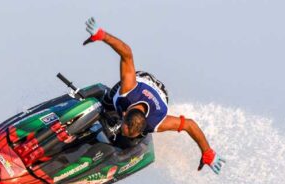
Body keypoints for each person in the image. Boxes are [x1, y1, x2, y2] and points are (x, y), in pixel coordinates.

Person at [83, 17, 225, 174]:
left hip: (161, 95)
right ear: (125, 114)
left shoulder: (156, 122)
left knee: (128, 143)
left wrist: (207, 152)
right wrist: (102, 35)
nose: (124, 131)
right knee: (106, 105)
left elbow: (189, 125)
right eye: (125, 128)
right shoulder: (128, 90)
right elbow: (127, 53)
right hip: (142, 80)